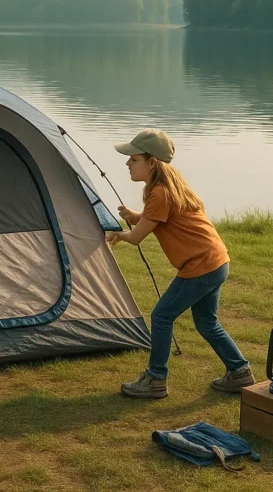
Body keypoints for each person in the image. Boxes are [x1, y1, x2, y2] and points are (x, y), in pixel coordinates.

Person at [107, 129, 254, 399]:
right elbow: (159, 218)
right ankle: (240, 372)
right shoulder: (167, 189)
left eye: (134, 158)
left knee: (162, 316)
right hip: (217, 261)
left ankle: (155, 379)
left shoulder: (160, 193)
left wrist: (119, 233)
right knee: (207, 323)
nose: (128, 163)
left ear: (152, 162)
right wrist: (136, 215)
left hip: (200, 266)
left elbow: (137, 238)